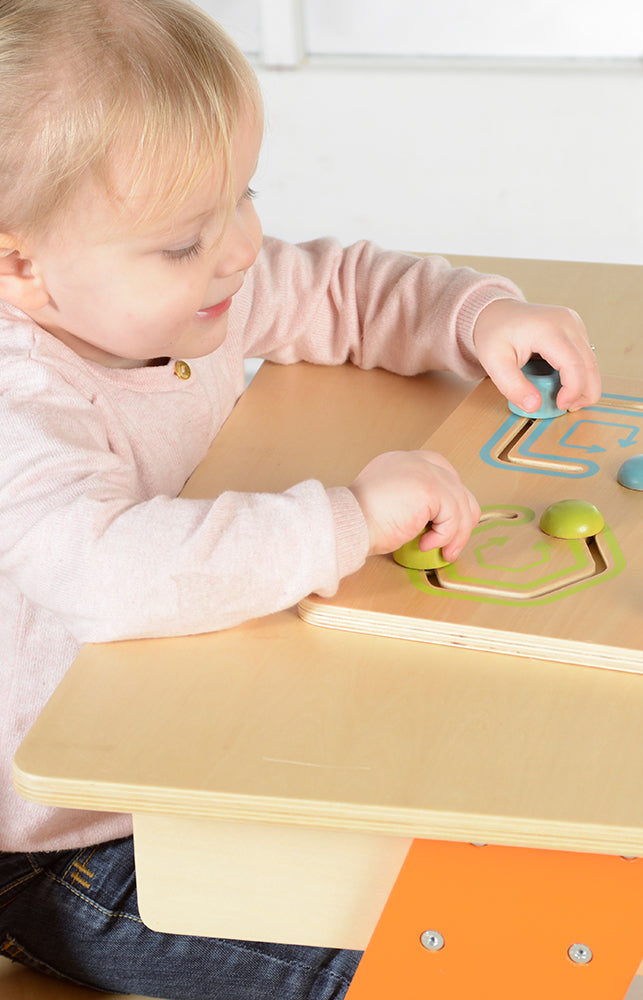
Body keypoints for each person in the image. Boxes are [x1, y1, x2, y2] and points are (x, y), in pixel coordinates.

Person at [0, 0, 600, 995]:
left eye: (245, 194)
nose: (241, 247)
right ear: (20, 264)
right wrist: (348, 519)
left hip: (191, 744)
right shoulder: (21, 399)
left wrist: (473, 315)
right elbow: (102, 569)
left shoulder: (181, 295)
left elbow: (334, 291)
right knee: (419, 961)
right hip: (69, 846)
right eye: (186, 239)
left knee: (477, 832)